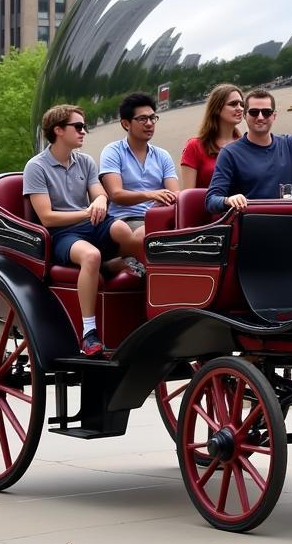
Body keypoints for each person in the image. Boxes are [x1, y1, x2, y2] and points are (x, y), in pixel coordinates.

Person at [24, 104, 145, 356]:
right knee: (91, 256)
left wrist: (100, 201)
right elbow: (46, 217)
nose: (84, 132)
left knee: (128, 232)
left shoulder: (86, 161)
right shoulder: (36, 167)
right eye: (78, 126)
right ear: (58, 130)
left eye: (84, 126)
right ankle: (89, 333)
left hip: (91, 224)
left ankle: (153, 305)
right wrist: (88, 211)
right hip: (61, 234)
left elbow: (99, 194)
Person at [99, 93, 179, 241]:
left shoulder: (163, 155)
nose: (149, 123)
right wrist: (151, 195)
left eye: (152, 118)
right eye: (142, 119)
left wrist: (168, 198)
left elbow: (174, 194)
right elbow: (116, 195)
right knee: (149, 235)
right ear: (126, 124)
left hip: (158, 217)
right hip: (126, 220)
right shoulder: (113, 151)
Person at [180, 84, 244, 189]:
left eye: (241, 104)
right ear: (216, 108)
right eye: (233, 104)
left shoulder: (245, 145)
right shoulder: (194, 147)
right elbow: (189, 196)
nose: (240, 108)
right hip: (207, 205)